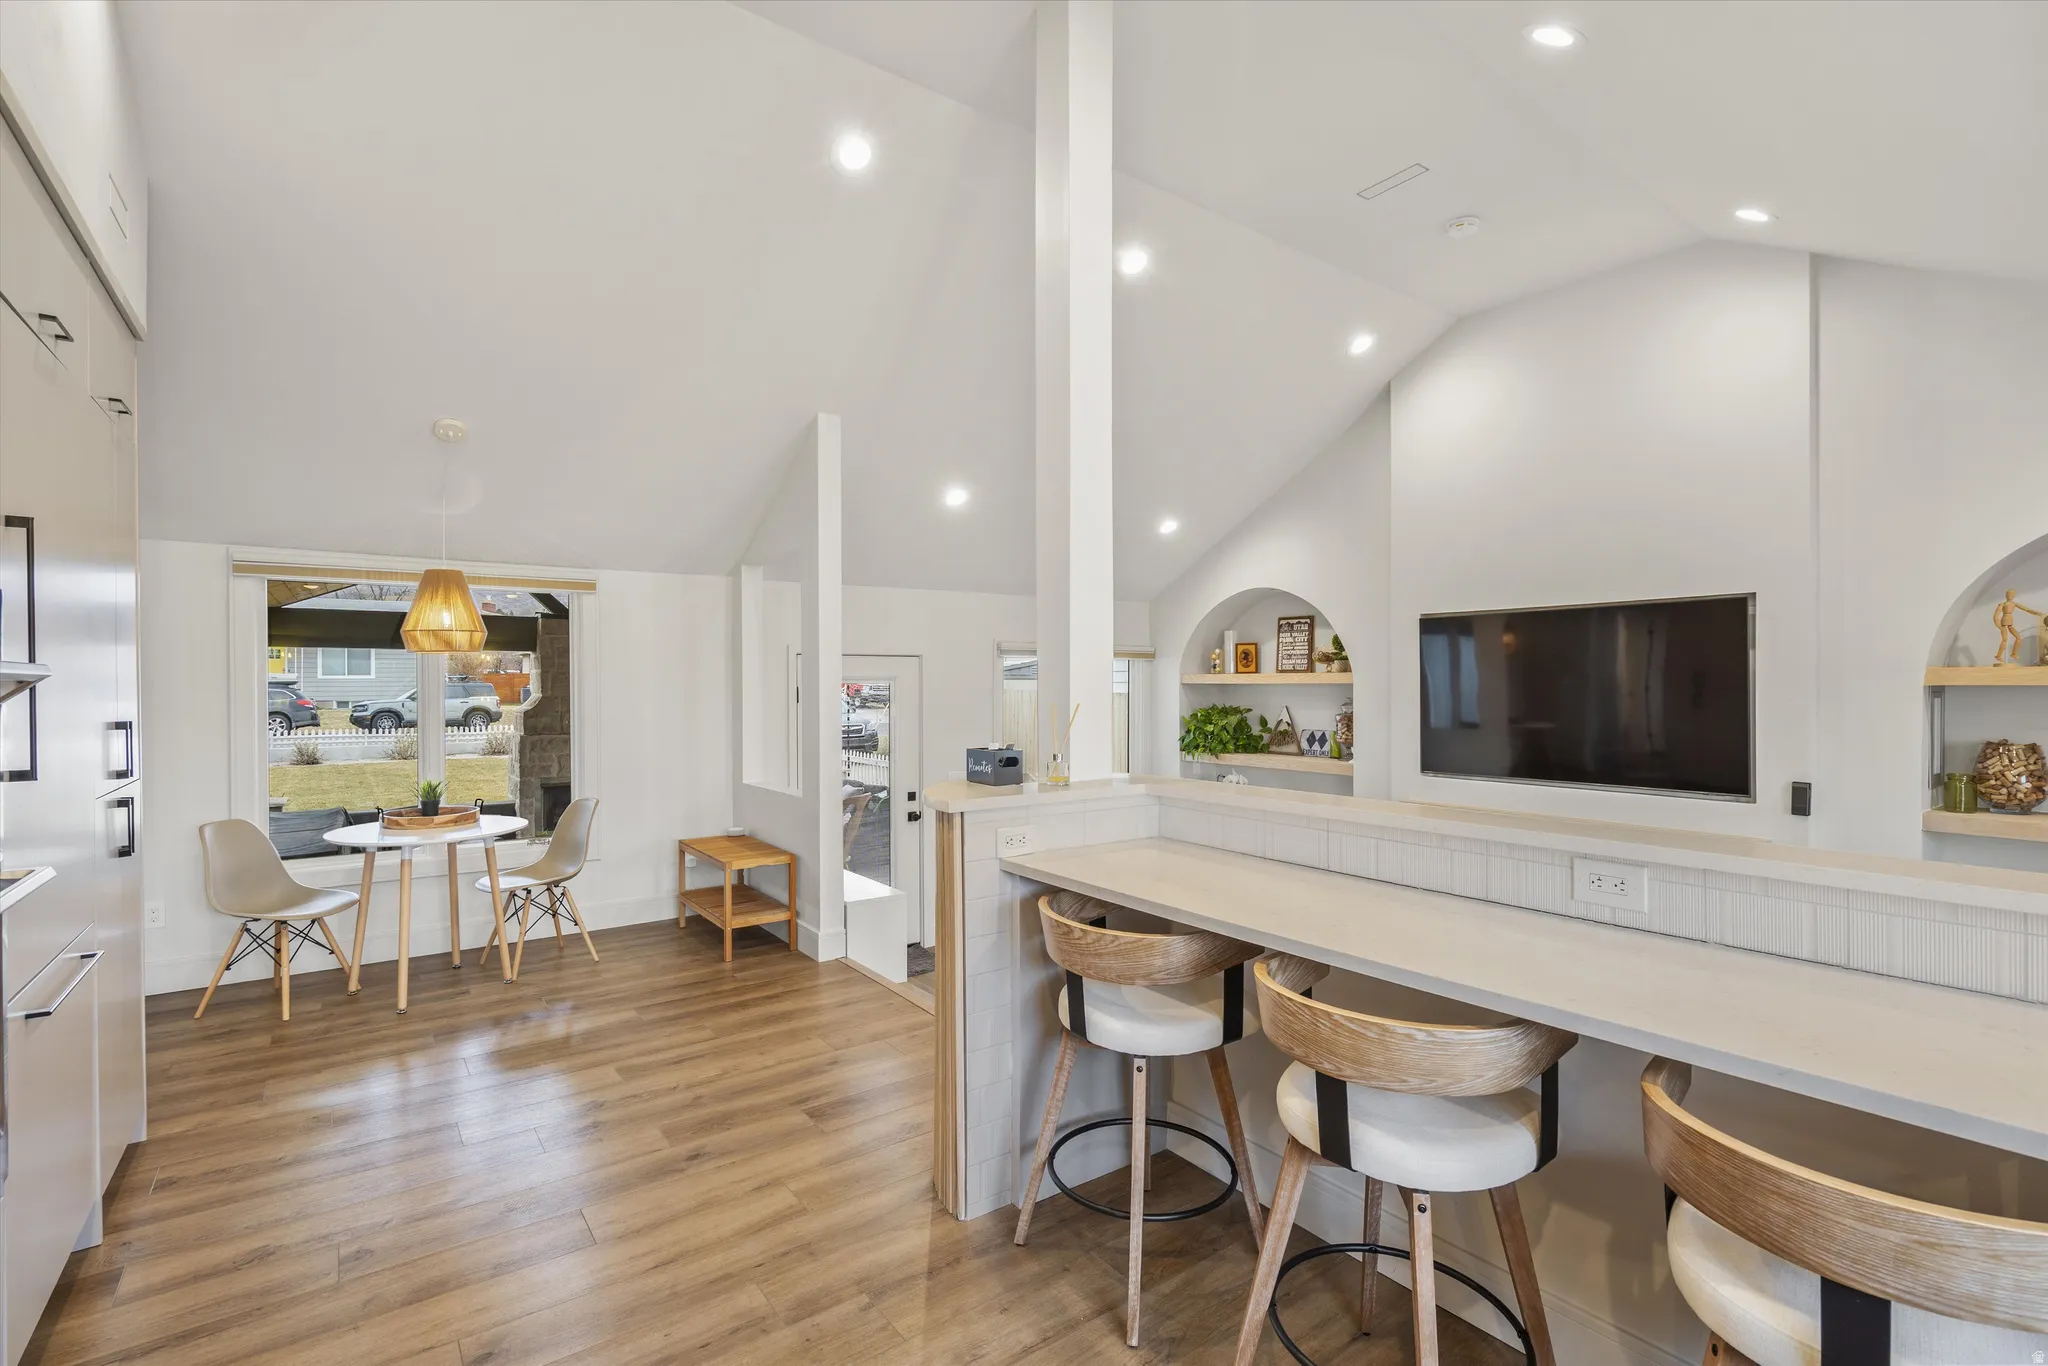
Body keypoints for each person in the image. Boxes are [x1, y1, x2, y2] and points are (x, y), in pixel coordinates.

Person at [1993, 588, 2042, 665]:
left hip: (2010, 623)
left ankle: (2014, 653)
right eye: (2008, 595)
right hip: (2003, 623)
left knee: (2018, 638)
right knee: (2005, 640)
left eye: (2012, 595)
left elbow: (2027, 609)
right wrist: (1998, 625)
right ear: (2006, 595)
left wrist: (2037, 613)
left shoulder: (2014, 604)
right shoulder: (2002, 605)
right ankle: (1998, 655)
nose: (2010, 596)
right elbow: (1996, 616)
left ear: (2014, 596)